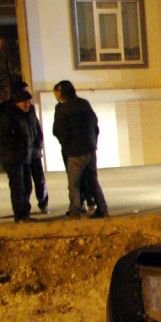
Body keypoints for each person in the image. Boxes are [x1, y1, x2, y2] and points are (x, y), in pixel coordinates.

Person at [52, 80, 108, 218]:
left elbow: (58, 130)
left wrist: (66, 145)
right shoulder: (84, 104)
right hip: (90, 149)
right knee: (93, 180)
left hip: (75, 151)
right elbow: (95, 124)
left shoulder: (62, 109)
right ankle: (102, 208)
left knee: (74, 183)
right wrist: (93, 142)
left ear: (61, 93)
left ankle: (75, 210)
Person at [0, 80, 49, 214]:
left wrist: (38, 144)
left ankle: (41, 203)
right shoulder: (7, 113)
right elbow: (4, 137)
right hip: (17, 155)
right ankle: (22, 213)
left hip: (32, 151)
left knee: (37, 180)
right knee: (21, 185)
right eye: (23, 92)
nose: (27, 102)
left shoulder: (30, 110)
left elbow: (36, 127)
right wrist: (18, 149)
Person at [0, 90, 37, 222]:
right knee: (18, 187)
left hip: (25, 156)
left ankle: (25, 214)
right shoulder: (8, 117)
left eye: (28, 102)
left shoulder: (26, 115)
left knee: (27, 186)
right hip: (13, 158)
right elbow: (4, 139)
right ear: (16, 103)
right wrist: (18, 147)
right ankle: (20, 215)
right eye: (24, 102)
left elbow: (33, 132)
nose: (27, 105)